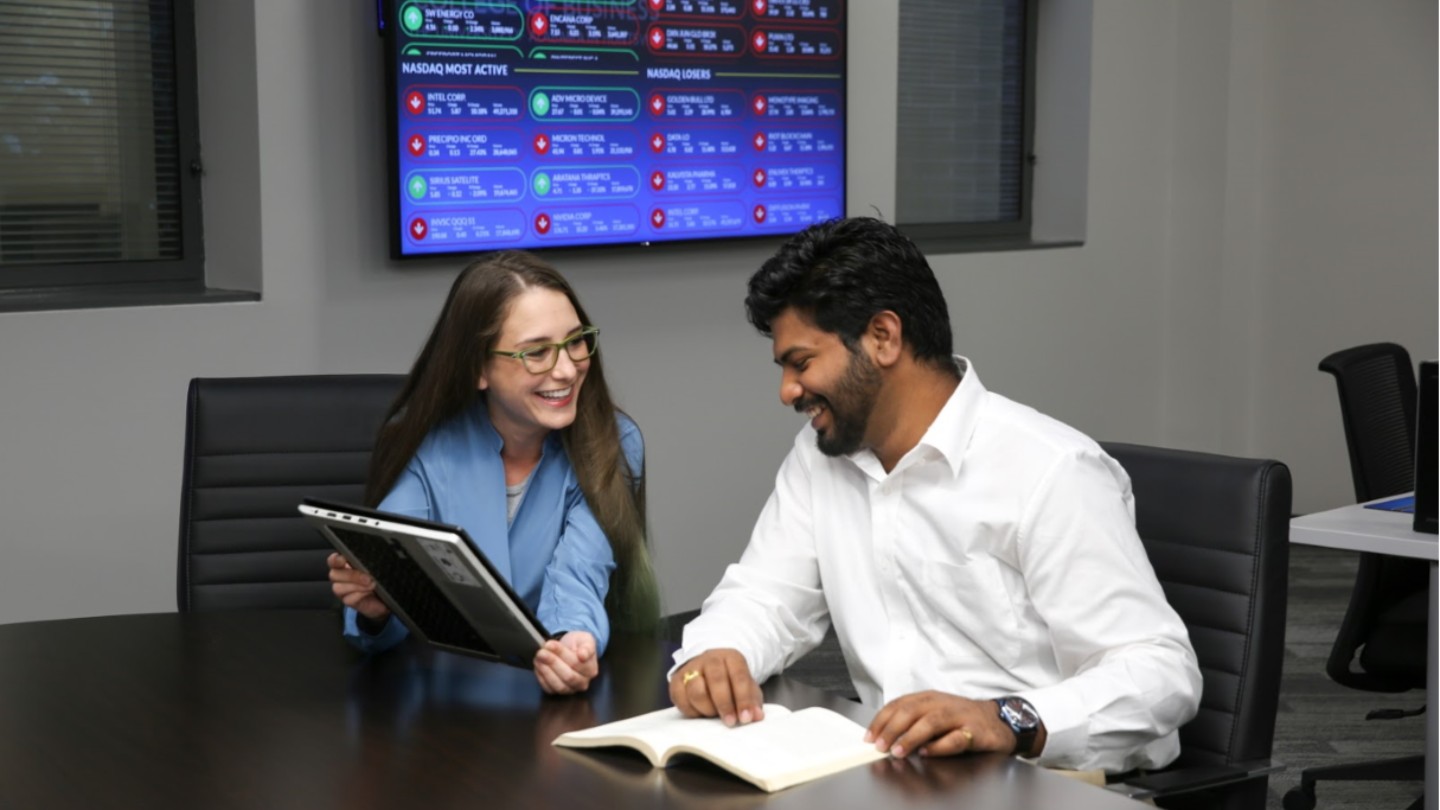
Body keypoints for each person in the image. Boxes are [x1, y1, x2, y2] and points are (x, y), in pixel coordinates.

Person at [667, 218, 1201, 774]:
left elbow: (1161, 672)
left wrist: (1007, 718)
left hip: (1039, 783)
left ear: (883, 337)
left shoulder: (1051, 470)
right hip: (895, 776)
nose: (787, 392)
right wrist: (719, 653)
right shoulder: (820, 457)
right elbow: (764, 595)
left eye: (801, 363)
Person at [329, 250, 659, 695]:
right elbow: (395, 569)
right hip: (444, 704)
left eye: (576, 341)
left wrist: (571, 646)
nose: (566, 369)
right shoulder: (428, 440)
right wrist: (378, 608)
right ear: (478, 368)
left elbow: (580, 574)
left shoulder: (614, 442)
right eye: (537, 352)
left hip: (552, 702)